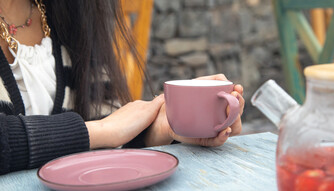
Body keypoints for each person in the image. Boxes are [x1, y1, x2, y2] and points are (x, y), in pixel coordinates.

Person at [0, 0, 244, 175]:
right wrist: (100, 130)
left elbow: (105, 124)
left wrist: (157, 129)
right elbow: (104, 128)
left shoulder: (70, 10)